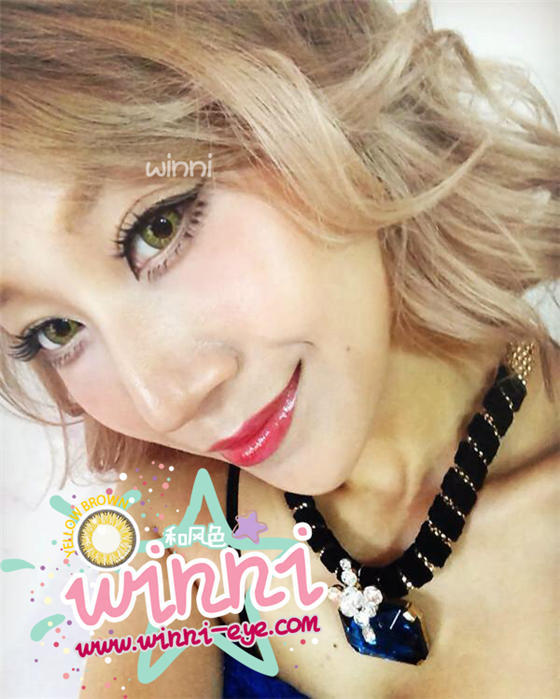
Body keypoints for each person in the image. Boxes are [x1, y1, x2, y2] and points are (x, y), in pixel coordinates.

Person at [1, 1, 558, 697]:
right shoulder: (174, 526)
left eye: (158, 226)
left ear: (320, 94)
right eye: (54, 329)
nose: (163, 402)